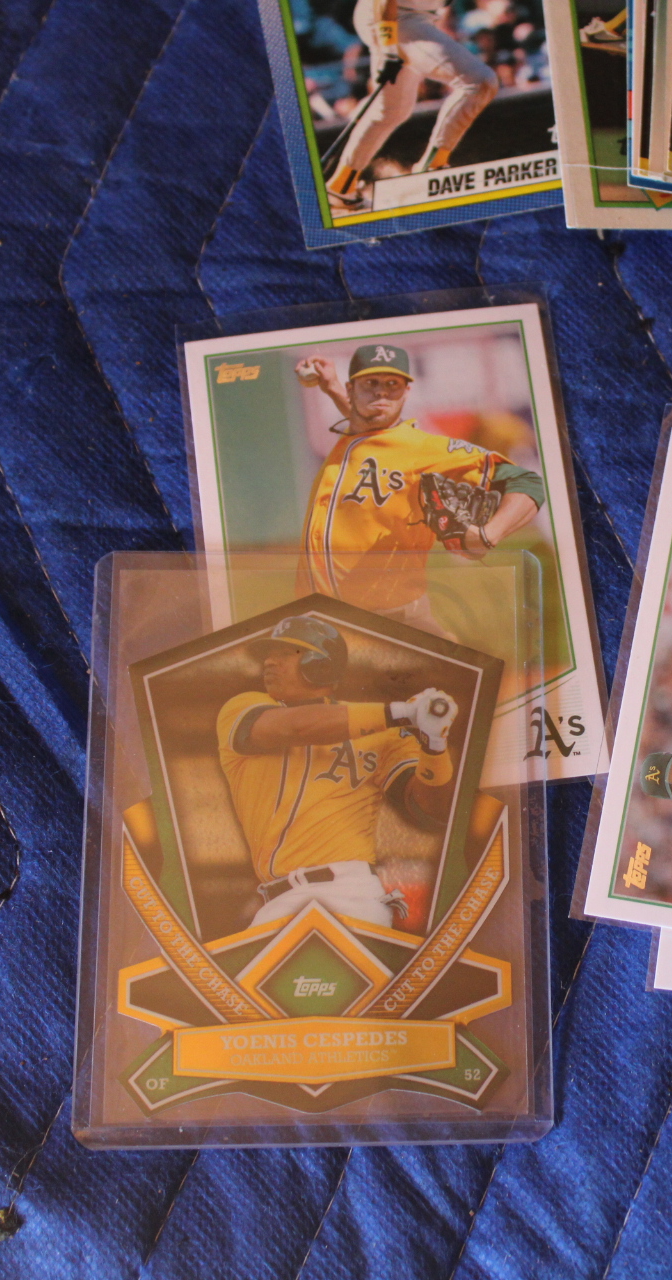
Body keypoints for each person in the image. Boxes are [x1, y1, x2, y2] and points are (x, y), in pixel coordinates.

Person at [216, 614, 461, 928]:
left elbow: (433, 812)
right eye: (268, 654)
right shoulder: (243, 706)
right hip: (276, 899)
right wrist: (402, 713)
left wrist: (435, 747)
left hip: (349, 892)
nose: (269, 662)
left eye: (285, 653)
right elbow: (297, 727)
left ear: (322, 666)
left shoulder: (384, 734)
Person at [293, 343, 545, 631]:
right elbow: (364, 419)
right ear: (351, 390)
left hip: (390, 618)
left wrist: (489, 533)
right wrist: (331, 387)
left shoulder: (425, 448)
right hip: (321, 617)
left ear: (407, 391)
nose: (381, 392)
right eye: (370, 383)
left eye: (393, 384)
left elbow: (527, 482)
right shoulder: (357, 435)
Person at [322, 0, 500, 212]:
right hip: (392, 16)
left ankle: (340, 186)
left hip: (415, 16)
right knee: (480, 81)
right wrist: (388, 48)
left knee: (392, 110)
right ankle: (431, 168)